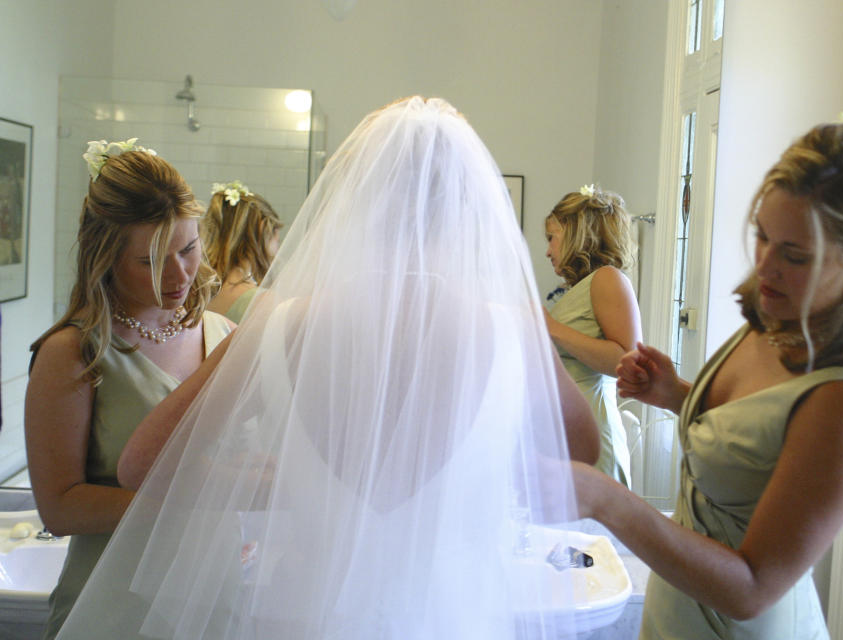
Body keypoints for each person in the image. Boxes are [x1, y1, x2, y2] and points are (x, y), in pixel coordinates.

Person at [55, 96, 600, 639]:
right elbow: (579, 455)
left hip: (307, 615)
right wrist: (470, 474)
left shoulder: (280, 324)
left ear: (355, 203)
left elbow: (142, 464)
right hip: (457, 616)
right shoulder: (514, 331)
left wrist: (278, 481)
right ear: (468, 211)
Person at [573, 109, 843, 639]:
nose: (765, 266)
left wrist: (604, 498)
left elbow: (751, 587)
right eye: (763, 236)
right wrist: (675, 394)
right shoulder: (777, 316)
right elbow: (758, 442)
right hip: (677, 612)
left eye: (794, 255)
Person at [24, 139, 234, 640]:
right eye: (152, 260)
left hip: (216, 606)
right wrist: (200, 499)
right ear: (107, 257)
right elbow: (58, 508)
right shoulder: (74, 352)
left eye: (188, 249)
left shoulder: (223, 334)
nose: (180, 275)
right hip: (113, 612)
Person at [544, 185, 642, 487]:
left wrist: (549, 327)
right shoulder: (575, 290)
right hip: (563, 438)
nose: (547, 251)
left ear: (577, 234)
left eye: (552, 238)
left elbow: (629, 362)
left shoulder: (608, 279)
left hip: (594, 438)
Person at [202, 181, 282, 323]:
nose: (278, 250)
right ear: (262, 230)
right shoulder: (262, 302)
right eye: (277, 240)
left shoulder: (198, 290)